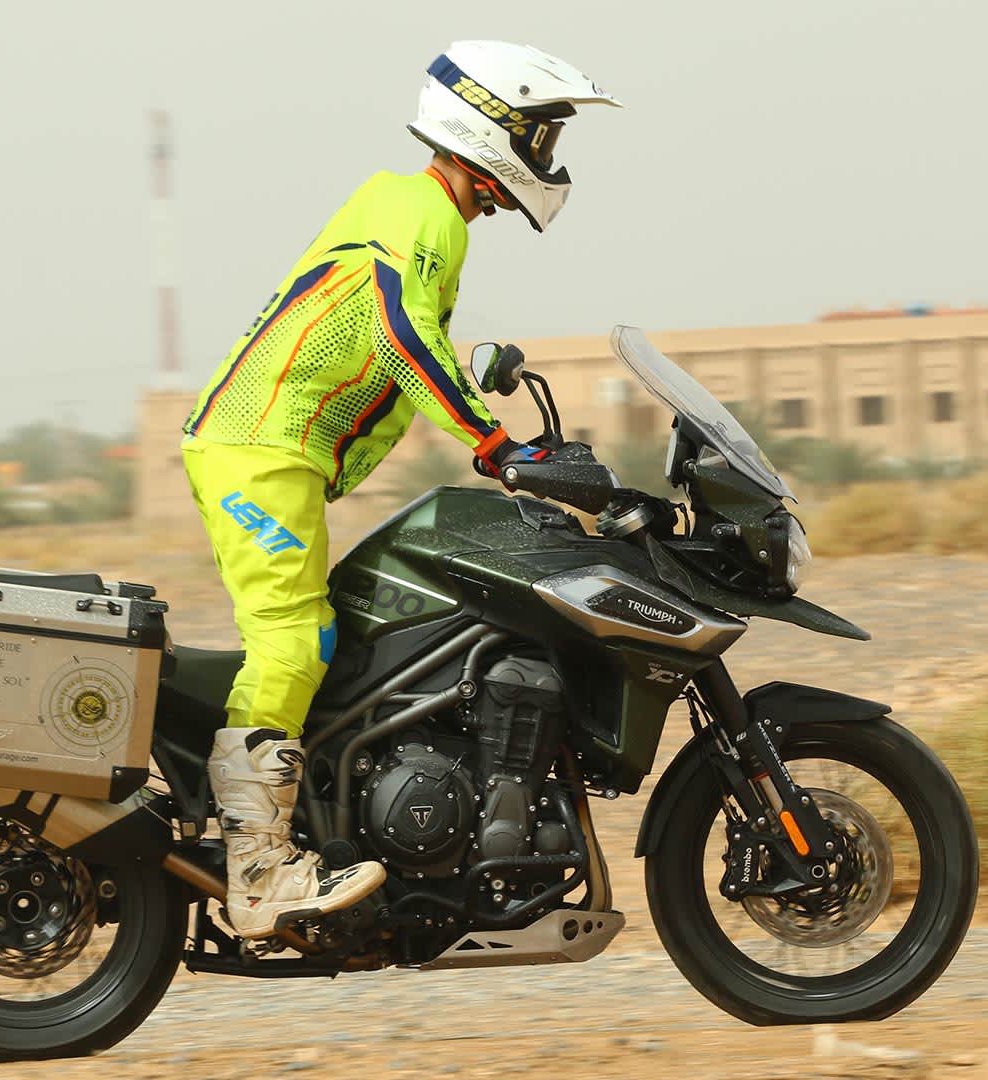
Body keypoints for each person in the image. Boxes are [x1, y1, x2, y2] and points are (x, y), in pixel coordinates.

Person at [181, 40, 620, 940]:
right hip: (257, 445)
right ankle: (259, 873)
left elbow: (403, 341)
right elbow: (401, 337)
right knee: (292, 643)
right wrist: (495, 447)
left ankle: (326, 815)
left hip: (277, 449)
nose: (545, 158)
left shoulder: (415, 210)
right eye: (536, 136)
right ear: (490, 127)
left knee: (336, 636)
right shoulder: (422, 212)